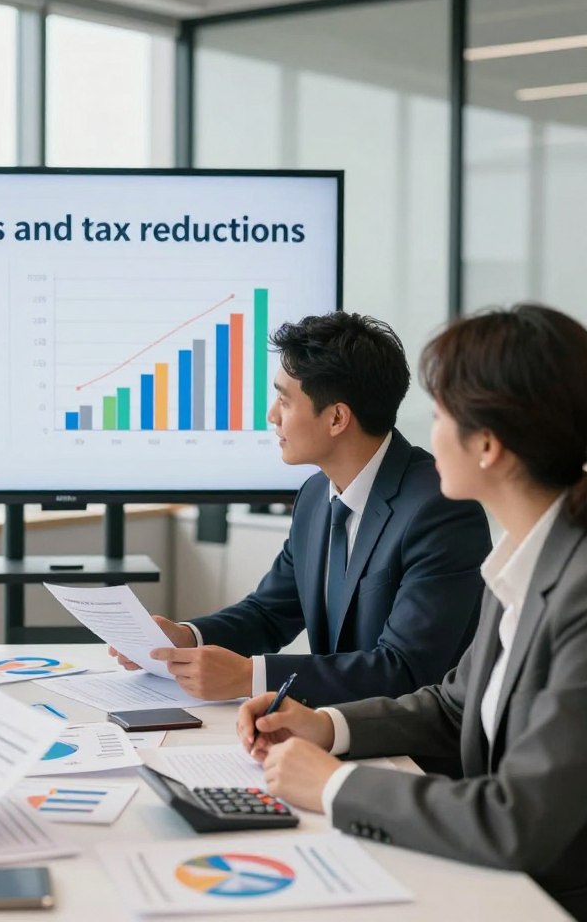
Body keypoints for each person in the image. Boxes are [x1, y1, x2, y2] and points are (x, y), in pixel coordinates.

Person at [237, 304, 587, 920]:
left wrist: (333, 784)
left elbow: (518, 819)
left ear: (487, 445)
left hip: (544, 897)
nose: (429, 432)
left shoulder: (578, 588)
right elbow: (454, 705)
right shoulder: (529, 560)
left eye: (442, 413)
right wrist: (327, 727)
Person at [112, 311, 491, 707]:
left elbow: (405, 669)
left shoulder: (441, 510)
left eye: (284, 400)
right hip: (326, 728)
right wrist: (186, 638)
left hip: (408, 748)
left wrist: (251, 677)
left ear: (337, 418)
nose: (272, 416)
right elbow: (268, 613)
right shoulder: (314, 496)